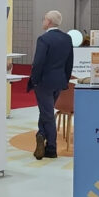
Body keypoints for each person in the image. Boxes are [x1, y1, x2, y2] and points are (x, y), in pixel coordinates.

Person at [27, 10, 73, 160]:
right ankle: (41, 135)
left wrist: (34, 80)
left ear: (49, 22)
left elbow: (38, 62)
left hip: (44, 82)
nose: (43, 21)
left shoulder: (44, 39)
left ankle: (51, 148)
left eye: (44, 19)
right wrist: (65, 80)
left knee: (47, 114)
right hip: (59, 82)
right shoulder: (67, 38)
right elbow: (69, 62)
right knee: (46, 111)